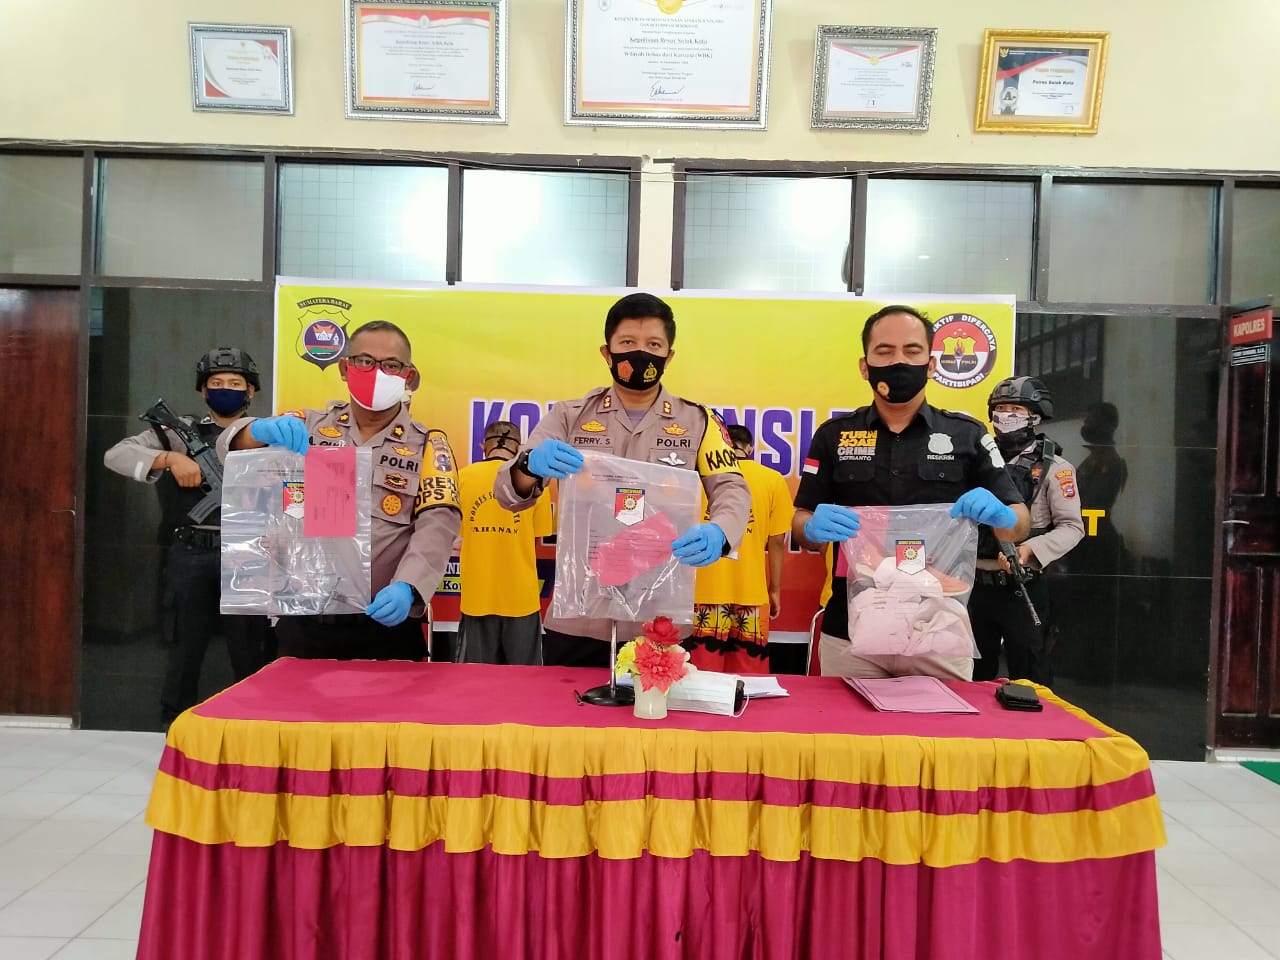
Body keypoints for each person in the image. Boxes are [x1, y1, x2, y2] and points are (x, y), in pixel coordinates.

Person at [494, 292, 751, 667]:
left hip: (660, 614)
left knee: (655, 706)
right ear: (607, 352)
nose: (641, 353)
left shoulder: (699, 421)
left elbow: (731, 488)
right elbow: (508, 492)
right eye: (628, 342)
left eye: (653, 345)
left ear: (669, 355)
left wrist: (721, 532)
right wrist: (530, 463)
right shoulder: (568, 417)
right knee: (567, 704)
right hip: (581, 613)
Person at [793, 304, 1030, 681]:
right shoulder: (834, 436)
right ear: (865, 366)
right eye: (885, 351)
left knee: (942, 722)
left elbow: (1018, 524)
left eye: (912, 350)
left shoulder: (967, 435)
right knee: (844, 722)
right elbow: (801, 522)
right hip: (852, 628)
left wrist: (1003, 515)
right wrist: (809, 527)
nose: (899, 361)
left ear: (931, 364)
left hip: (939, 627)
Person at [220, 320, 461, 661]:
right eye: (365, 361)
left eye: (391, 365)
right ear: (345, 368)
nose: (377, 372)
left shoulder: (427, 445)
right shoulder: (309, 426)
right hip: (306, 622)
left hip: (385, 624)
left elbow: (438, 524)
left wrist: (408, 586)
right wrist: (258, 429)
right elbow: (230, 449)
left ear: (408, 376)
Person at [103, 347, 274, 724]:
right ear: (203, 390)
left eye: (235, 383)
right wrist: (169, 459)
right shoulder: (181, 433)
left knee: (250, 649)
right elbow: (116, 455)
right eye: (217, 383)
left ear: (250, 391)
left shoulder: (264, 433)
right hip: (192, 551)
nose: (226, 389)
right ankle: (175, 724)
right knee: (185, 645)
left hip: (248, 554)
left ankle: (254, 725)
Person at [968, 377, 1084, 685]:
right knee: (969, 676)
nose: (1006, 415)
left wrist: (1030, 550)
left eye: (1016, 409)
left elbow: (1072, 527)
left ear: (1035, 416)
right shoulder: (977, 463)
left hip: (1022, 587)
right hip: (973, 587)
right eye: (1001, 408)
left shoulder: (1055, 468)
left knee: (1031, 678)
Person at [687, 424, 794, 674]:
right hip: (752, 592)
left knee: (702, 676)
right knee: (749, 679)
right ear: (750, 448)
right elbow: (777, 541)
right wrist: (774, 589)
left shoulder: (697, 477)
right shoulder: (772, 479)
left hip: (703, 591)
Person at [454, 420, 554, 665]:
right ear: (519, 448)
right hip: (521, 596)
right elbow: (538, 538)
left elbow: (457, 537)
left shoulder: (461, 478)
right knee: (524, 680)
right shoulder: (536, 482)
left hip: (477, 595)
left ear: (482, 446)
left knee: (476, 680)